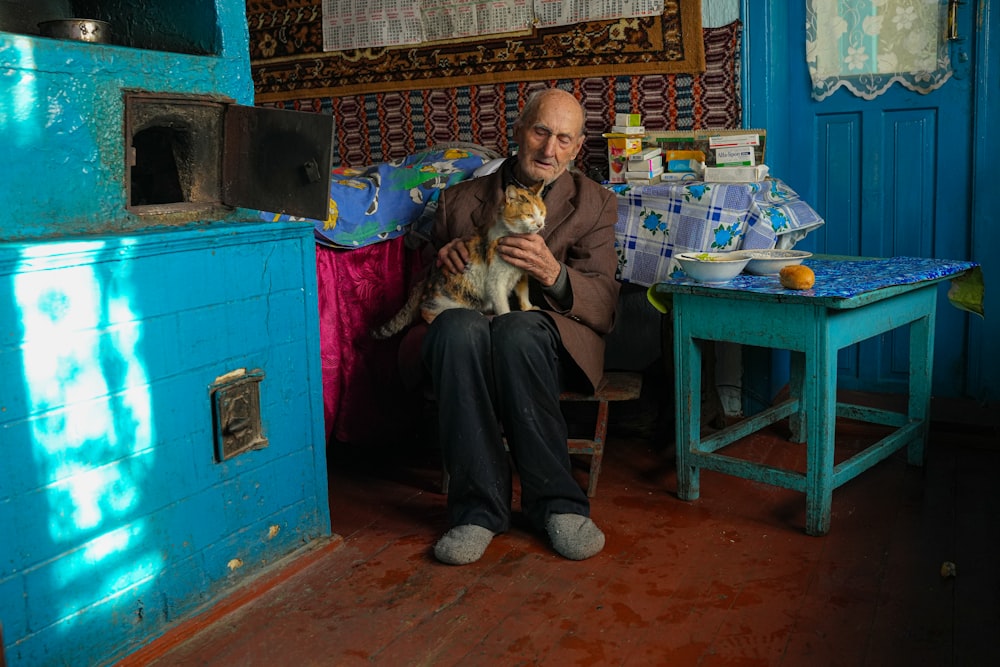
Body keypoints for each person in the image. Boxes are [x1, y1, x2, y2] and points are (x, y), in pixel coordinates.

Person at [409, 87, 620, 565]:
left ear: (578, 146)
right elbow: (427, 290)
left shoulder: (595, 205)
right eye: (541, 132)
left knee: (516, 330)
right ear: (519, 131)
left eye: (564, 139)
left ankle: (557, 504)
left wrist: (555, 274)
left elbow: (605, 306)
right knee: (457, 329)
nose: (550, 150)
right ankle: (477, 511)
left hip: (548, 342)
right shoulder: (458, 202)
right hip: (470, 334)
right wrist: (442, 262)